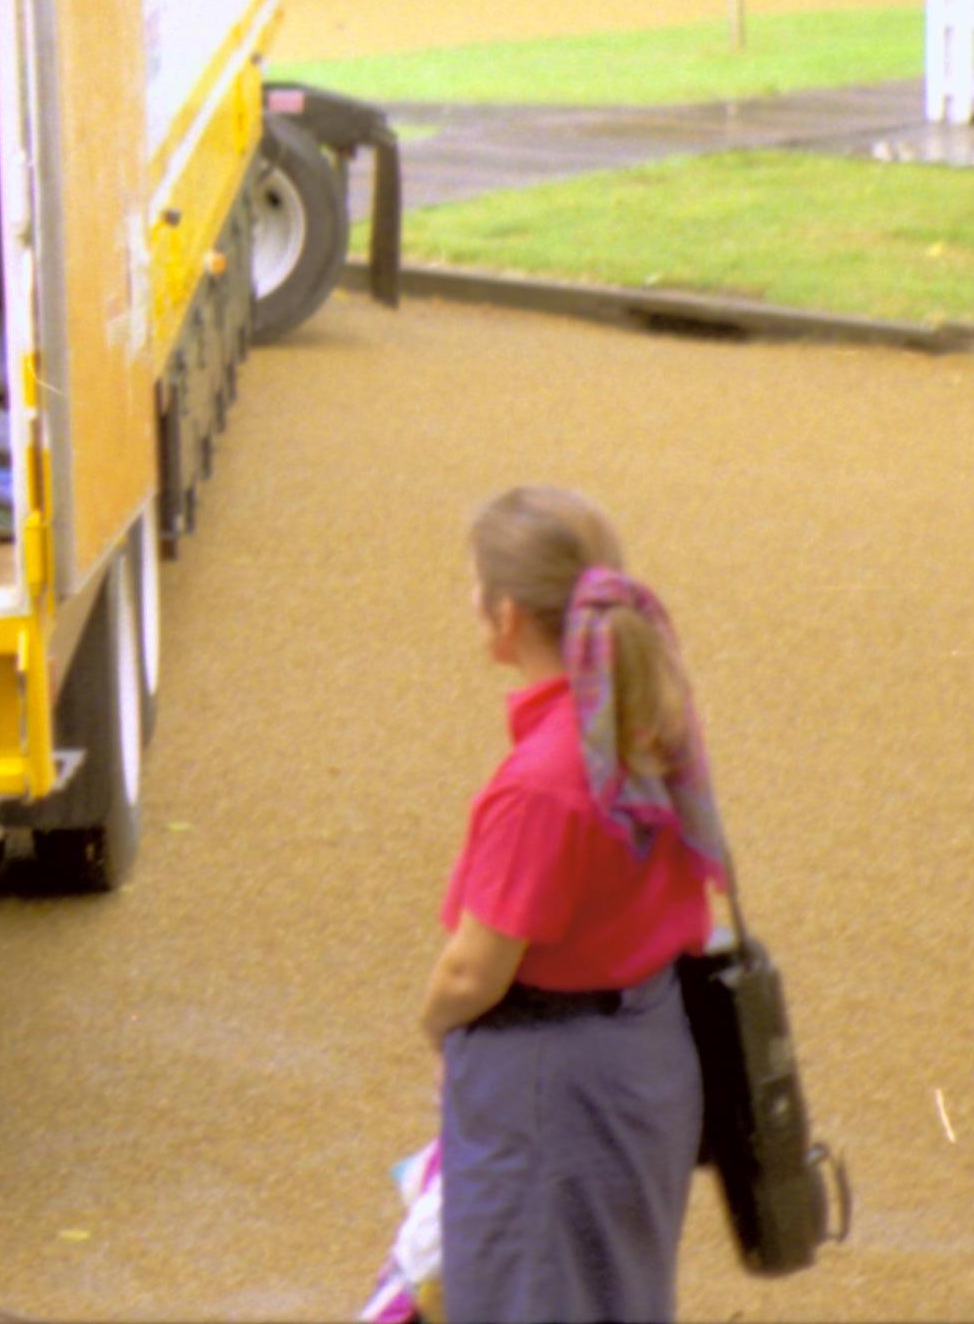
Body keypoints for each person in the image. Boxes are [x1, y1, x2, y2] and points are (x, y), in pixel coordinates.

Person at [420, 486, 730, 1324]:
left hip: (552, 1086)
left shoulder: (543, 782)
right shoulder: (643, 720)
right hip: (645, 1056)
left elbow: (473, 968)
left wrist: (435, 1022)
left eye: (475, 587)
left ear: (508, 615)